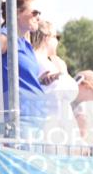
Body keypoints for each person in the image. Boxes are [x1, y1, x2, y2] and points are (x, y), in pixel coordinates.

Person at [0, 0, 53, 139]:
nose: (38, 17)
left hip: (34, 120)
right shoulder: (5, 37)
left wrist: (39, 81)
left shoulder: (25, 44)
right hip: (19, 121)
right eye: (35, 12)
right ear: (16, 12)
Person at [31, 19, 82, 147]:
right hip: (52, 133)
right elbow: (70, 92)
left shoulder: (36, 59)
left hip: (52, 131)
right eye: (56, 37)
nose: (58, 42)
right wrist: (63, 71)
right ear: (47, 37)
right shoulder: (42, 62)